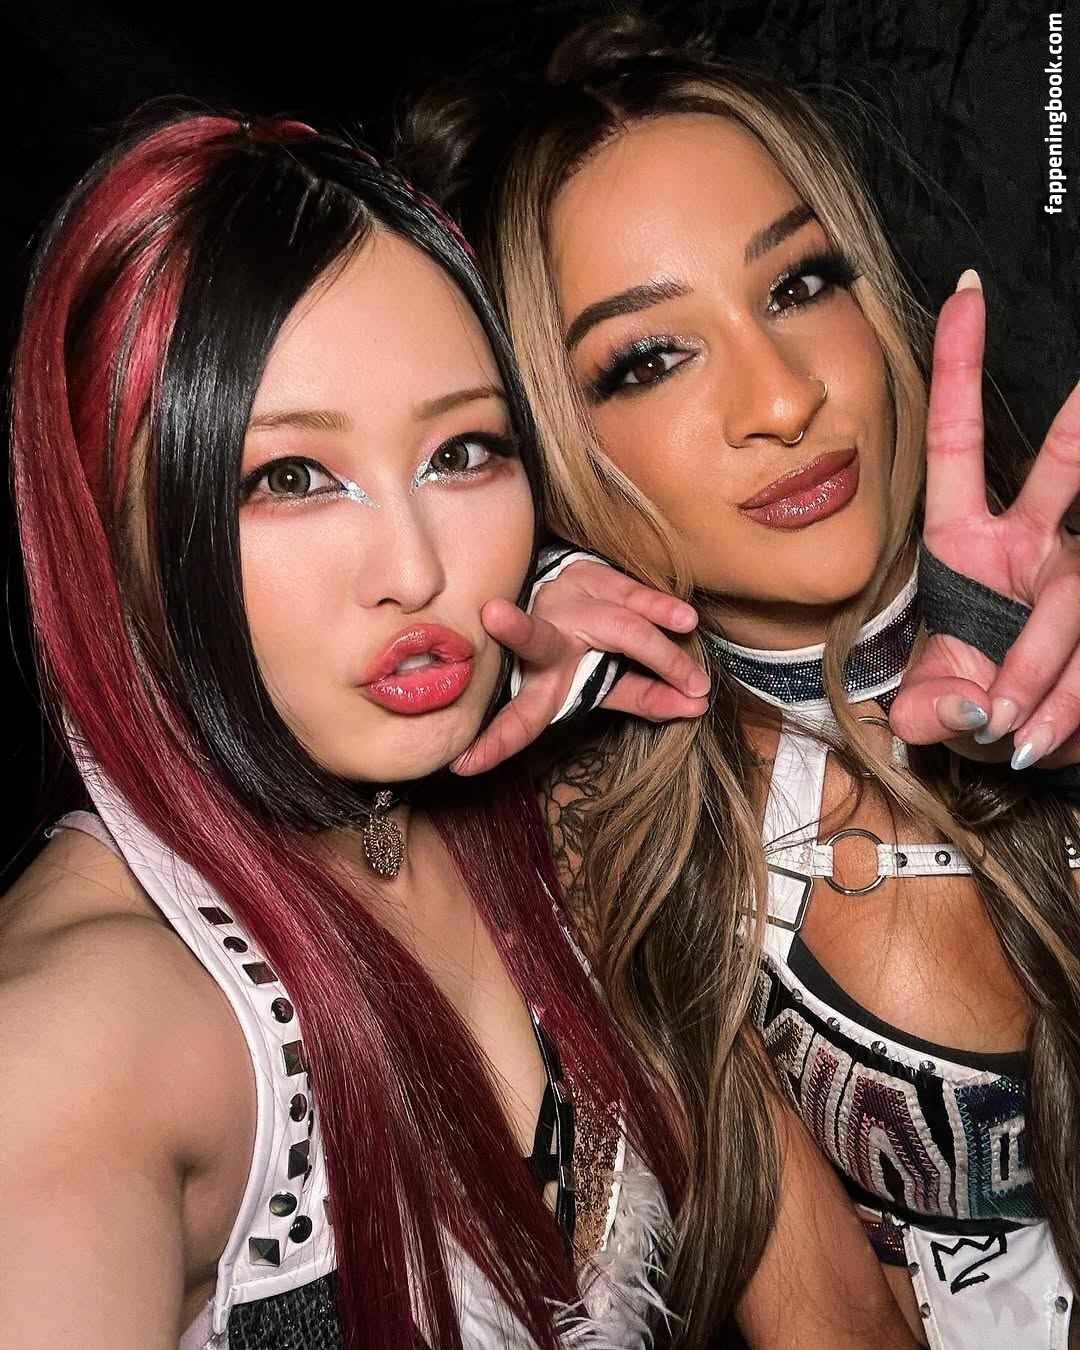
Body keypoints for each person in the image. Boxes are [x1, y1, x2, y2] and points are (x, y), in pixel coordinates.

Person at [395, 16, 1080, 1348]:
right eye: (649, 359)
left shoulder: (1050, 590)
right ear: (553, 440)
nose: (781, 400)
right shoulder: (629, 849)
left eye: (799, 283)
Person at [1, 108, 701, 1350]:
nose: (416, 569)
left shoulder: (525, 809)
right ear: (112, 528)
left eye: (462, 453)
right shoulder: (83, 1035)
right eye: (290, 478)